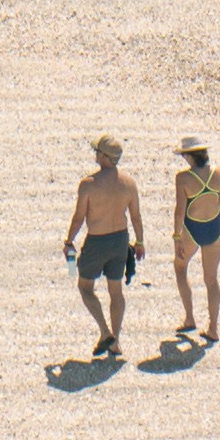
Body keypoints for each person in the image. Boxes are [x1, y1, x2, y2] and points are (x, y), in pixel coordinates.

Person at [63, 136, 142, 358]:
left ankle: (106, 332)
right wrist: (140, 242)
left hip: (97, 241)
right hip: (120, 240)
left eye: (97, 151)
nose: (95, 154)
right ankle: (115, 342)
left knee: (85, 287)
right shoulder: (129, 183)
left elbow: (79, 218)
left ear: (104, 157)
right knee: (116, 291)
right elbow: (135, 216)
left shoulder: (88, 184)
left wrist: (69, 241)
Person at [167, 138, 220, 343]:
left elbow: (179, 211)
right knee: (211, 279)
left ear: (188, 156)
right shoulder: (217, 171)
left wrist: (176, 237)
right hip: (214, 226)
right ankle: (213, 328)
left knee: (180, 267)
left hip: (192, 228)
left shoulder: (183, 178)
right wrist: (211, 214)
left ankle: (190, 318)